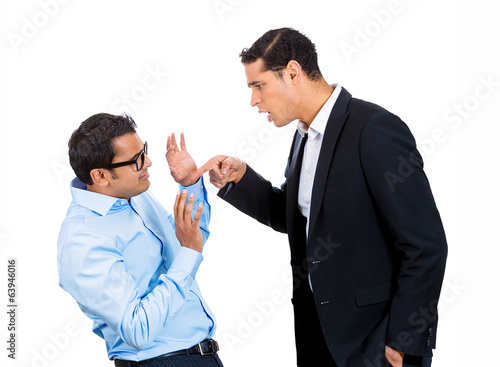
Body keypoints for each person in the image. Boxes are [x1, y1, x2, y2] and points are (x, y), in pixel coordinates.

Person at [192, 28, 447, 367]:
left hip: (376, 344)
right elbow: (297, 219)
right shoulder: (303, 136)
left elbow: (426, 245)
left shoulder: (374, 129)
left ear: (293, 72)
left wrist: (402, 340)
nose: (254, 100)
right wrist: (239, 179)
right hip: (319, 337)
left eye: (258, 86)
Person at [57, 113, 224, 367]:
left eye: (143, 151)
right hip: (159, 363)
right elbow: (138, 330)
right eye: (136, 160)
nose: (149, 162)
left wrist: (190, 187)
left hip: (202, 355)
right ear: (100, 176)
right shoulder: (83, 239)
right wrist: (189, 251)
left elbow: (188, 245)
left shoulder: (135, 196)